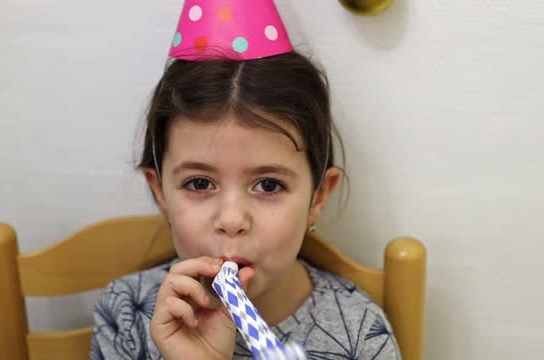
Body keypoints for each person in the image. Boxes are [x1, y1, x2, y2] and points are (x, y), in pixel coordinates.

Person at [90, 1, 400, 358]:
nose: (232, 220)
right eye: (199, 183)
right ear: (160, 192)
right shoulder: (127, 314)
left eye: (269, 185)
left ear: (317, 197)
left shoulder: (361, 335)